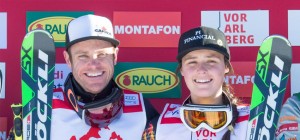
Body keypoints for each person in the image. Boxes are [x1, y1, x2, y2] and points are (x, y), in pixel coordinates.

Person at [50, 14, 158, 140]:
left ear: (115, 56)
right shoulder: (45, 108)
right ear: (68, 60)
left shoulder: (142, 108)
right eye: (83, 56)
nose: (93, 65)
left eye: (102, 54)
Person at [142, 26, 249, 140]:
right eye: (192, 62)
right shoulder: (157, 128)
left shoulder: (253, 122)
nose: (202, 70)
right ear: (182, 69)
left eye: (211, 61)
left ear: (226, 66)